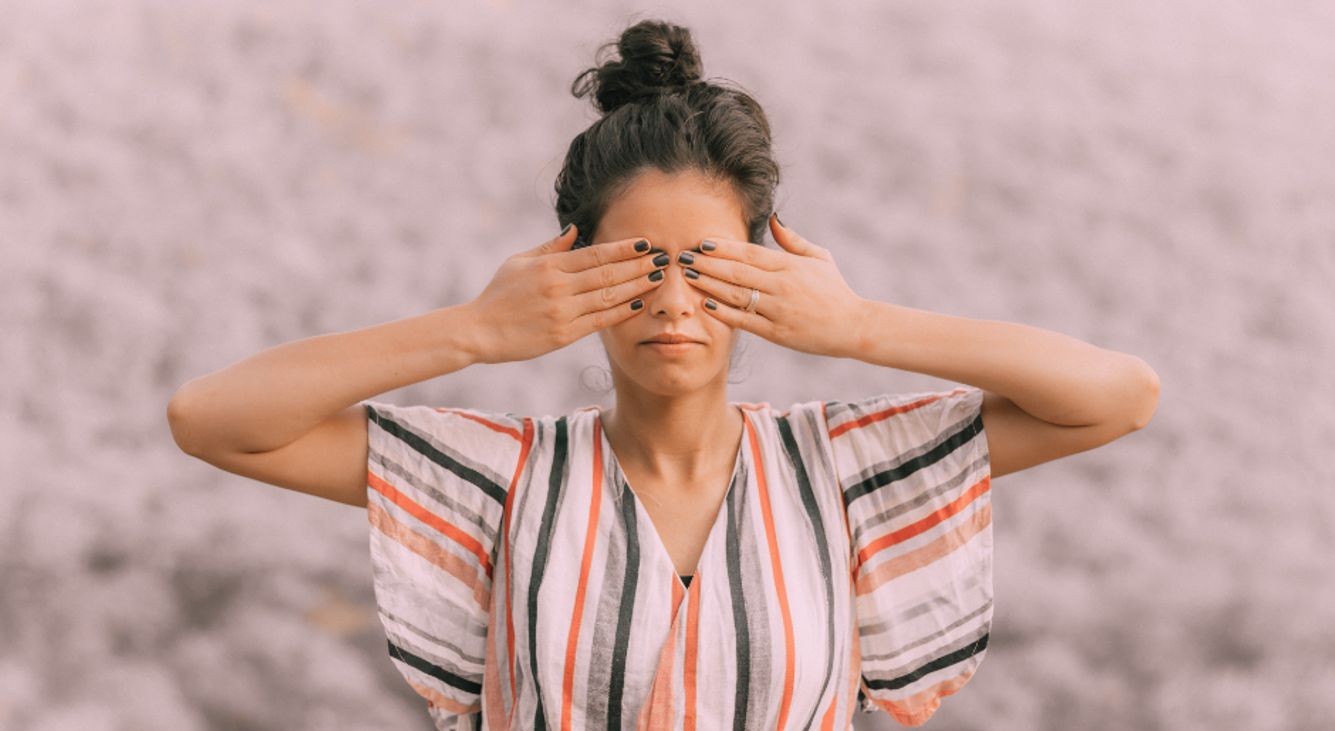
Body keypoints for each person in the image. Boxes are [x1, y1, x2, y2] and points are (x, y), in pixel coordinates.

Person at [166, 17, 1159, 731]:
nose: (673, 300)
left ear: (764, 270)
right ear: (573, 268)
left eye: (709, 263)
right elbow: (212, 418)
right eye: (637, 264)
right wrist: (472, 330)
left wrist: (859, 325)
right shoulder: (504, 475)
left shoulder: (844, 464)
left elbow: (1119, 396)